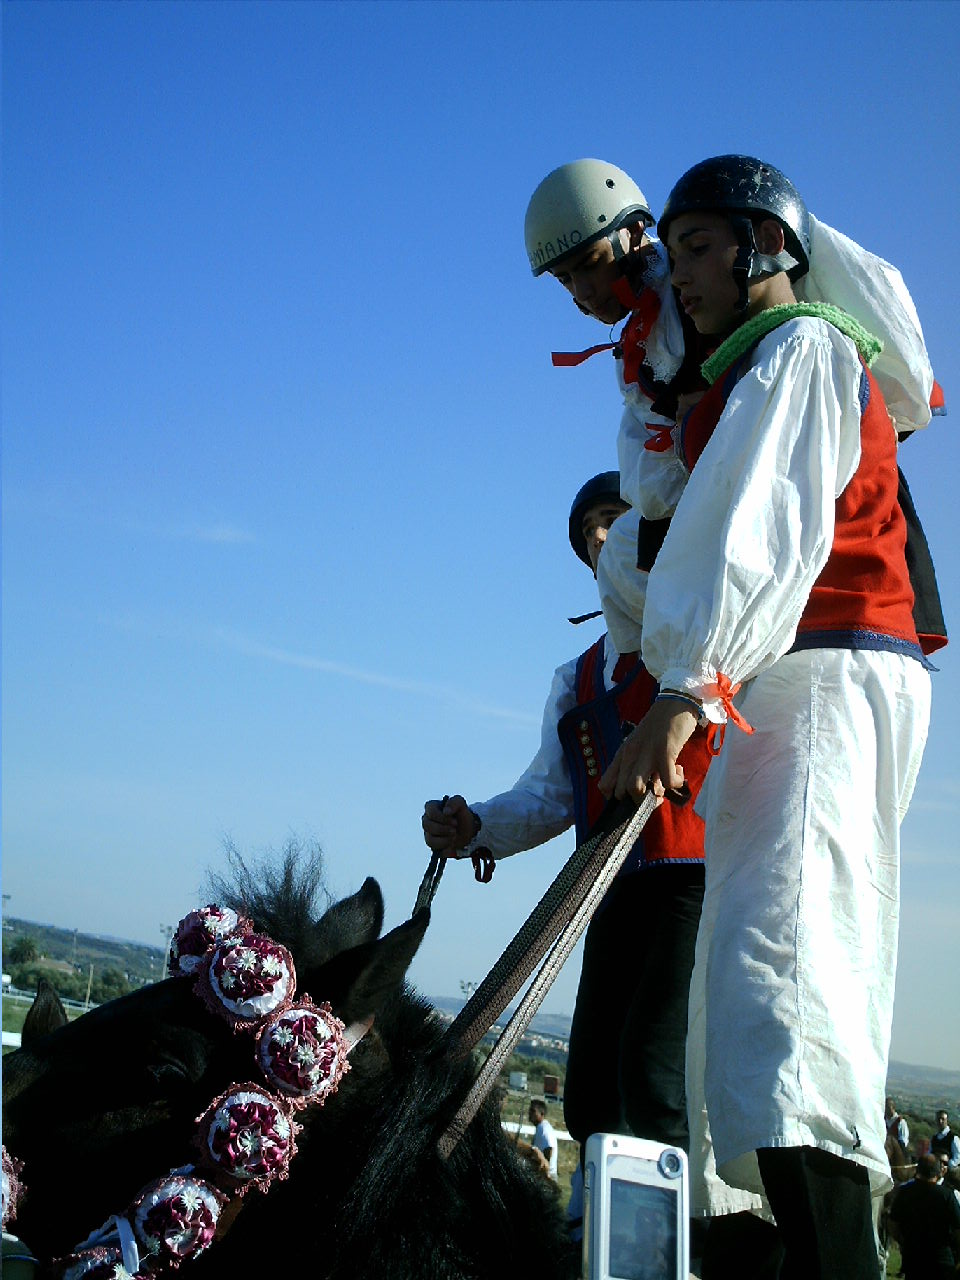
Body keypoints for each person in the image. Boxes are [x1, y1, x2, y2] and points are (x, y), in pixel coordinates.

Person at [599, 155, 933, 1280]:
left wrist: (687, 690)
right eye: (675, 246)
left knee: (785, 984)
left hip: (829, 674)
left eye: (697, 247)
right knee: (738, 1010)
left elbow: (758, 533)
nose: (675, 272)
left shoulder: (800, 349)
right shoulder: (753, 365)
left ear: (767, 247)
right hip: (791, 681)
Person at [524, 159, 946, 663]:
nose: (582, 293)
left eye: (590, 263)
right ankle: (658, 702)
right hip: (722, 496)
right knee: (619, 559)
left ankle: (686, 697)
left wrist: (719, 408)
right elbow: (649, 484)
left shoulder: (722, 291)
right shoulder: (642, 342)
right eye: (565, 280)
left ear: (635, 234)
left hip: (801, 496)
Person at [421, 472, 709, 1158]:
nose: (601, 537)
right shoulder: (577, 678)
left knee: (654, 1083)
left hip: (695, 885)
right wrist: (475, 826)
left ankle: (674, 1250)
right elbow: (549, 795)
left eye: (614, 518)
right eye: (588, 531)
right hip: (604, 891)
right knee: (589, 1095)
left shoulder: (706, 641)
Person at [887, 1153, 960, 1279]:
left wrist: (902, 1241)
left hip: (913, 1259)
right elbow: (958, 1228)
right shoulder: (946, 1195)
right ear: (938, 1172)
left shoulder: (905, 1193)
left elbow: (893, 1224)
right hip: (941, 1260)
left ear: (917, 1170)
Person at [529, 1099, 559, 1183]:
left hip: (547, 1178)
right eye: (530, 1110)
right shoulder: (540, 1127)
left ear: (542, 1114)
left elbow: (549, 1148)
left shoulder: (544, 1129)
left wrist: (545, 1168)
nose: (530, 1113)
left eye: (533, 1111)